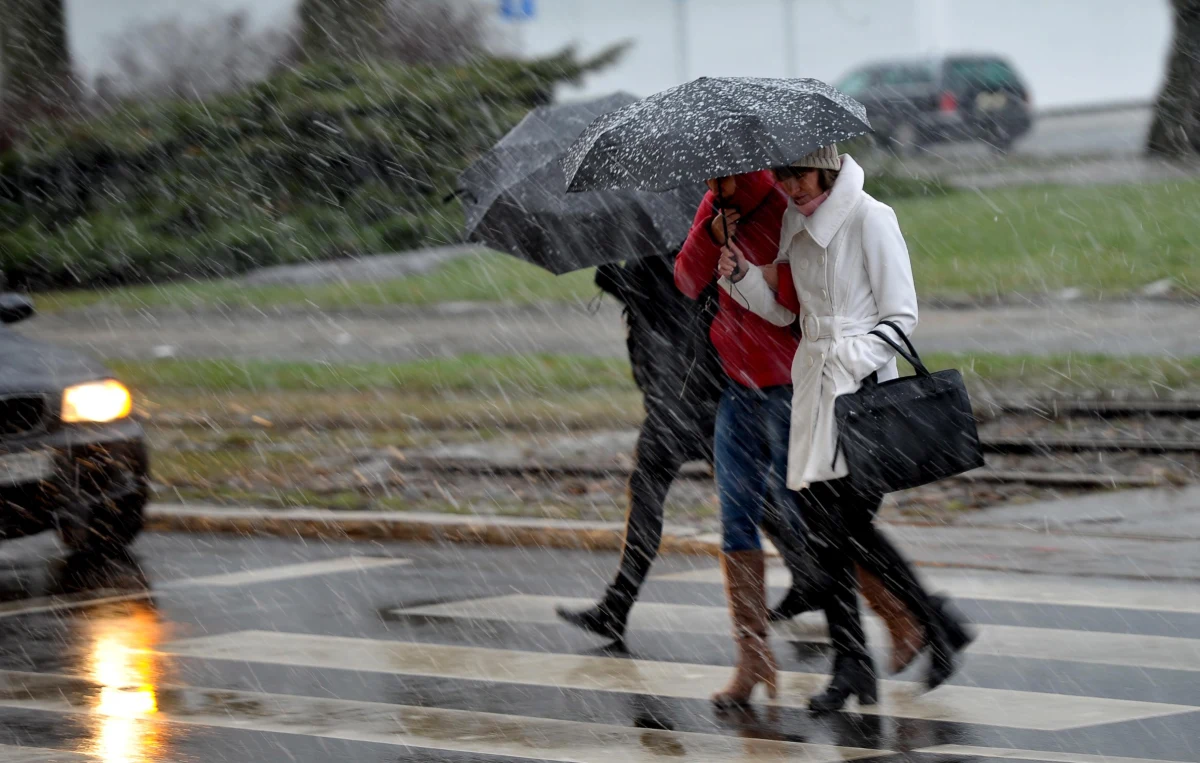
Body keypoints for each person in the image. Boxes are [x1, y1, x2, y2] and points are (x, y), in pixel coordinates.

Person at [718, 144, 974, 713]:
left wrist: (848, 358)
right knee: (827, 537)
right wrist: (741, 279)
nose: (791, 186)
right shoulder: (793, 220)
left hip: (860, 396)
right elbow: (788, 313)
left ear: (828, 165)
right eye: (782, 175)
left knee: (845, 532)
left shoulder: (871, 217)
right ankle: (867, 657)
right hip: (813, 392)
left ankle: (919, 631)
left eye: (800, 173)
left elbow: (902, 316)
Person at [554, 253, 822, 643]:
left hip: (681, 400)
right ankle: (809, 574)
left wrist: (611, 264)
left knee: (651, 498)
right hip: (702, 393)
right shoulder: (697, 242)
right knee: (747, 495)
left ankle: (617, 605)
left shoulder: (659, 253)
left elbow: (629, 289)